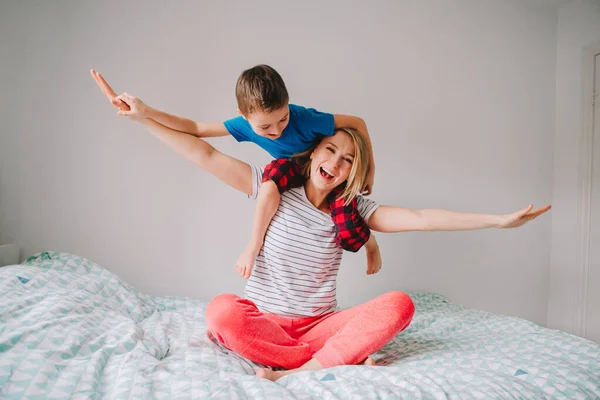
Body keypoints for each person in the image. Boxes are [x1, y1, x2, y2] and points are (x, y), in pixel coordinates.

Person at [93, 75, 551, 382]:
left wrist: (499, 220)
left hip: (321, 328)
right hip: (266, 324)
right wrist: (143, 117)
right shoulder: (270, 185)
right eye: (331, 150)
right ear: (312, 153)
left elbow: (420, 218)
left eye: (348, 159)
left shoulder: (354, 208)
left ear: (353, 171)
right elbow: (203, 152)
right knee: (221, 311)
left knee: (400, 304)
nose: (336, 162)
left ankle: (300, 365)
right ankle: (320, 365)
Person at [90, 65, 382, 280]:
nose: (277, 130)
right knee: (271, 179)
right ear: (244, 117)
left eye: (283, 119)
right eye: (265, 127)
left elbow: (357, 122)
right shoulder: (242, 125)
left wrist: (367, 171)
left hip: (324, 174)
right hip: (292, 172)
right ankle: (253, 245)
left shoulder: (306, 119)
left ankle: (370, 246)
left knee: (349, 221)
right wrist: (145, 113)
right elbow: (194, 130)